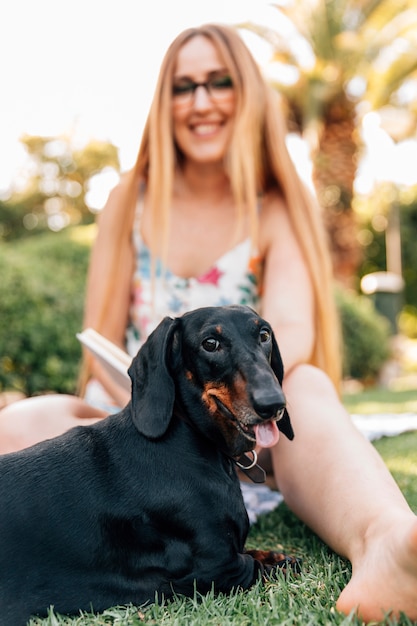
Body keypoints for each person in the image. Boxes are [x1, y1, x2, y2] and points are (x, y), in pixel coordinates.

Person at [1, 23, 416, 623]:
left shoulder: (275, 206)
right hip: (140, 415)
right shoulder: (129, 199)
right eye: (183, 85)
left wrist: (243, 398)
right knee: (33, 415)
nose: (201, 101)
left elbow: (291, 333)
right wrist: (158, 397)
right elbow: (99, 337)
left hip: (256, 429)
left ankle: (384, 542)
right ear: (164, 102)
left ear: (246, 94)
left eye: (219, 82)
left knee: (309, 387)